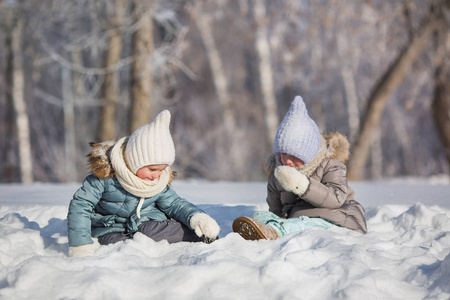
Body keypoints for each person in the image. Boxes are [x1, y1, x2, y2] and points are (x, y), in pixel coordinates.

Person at [67, 110, 220, 257]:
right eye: (152, 169)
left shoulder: (157, 181)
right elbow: (81, 205)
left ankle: (207, 238)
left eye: (162, 169)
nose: (157, 175)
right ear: (134, 161)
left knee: (162, 231)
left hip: (147, 225)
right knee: (117, 246)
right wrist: (80, 244)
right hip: (112, 228)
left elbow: (175, 204)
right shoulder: (105, 178)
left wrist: (198, 218)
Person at [233, 96, 367, 240]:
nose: (287, 160)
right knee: (260, 215)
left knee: (303, 224)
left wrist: (302, 186)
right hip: (297, 219)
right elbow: (276, 208)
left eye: (294, 155)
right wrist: (275, 217)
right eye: (283, 154)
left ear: (309, 153)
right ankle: (266, 229)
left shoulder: (331, 165)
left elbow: (336, 199)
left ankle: (277, 231)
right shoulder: (278, 173)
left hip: (335, 219)